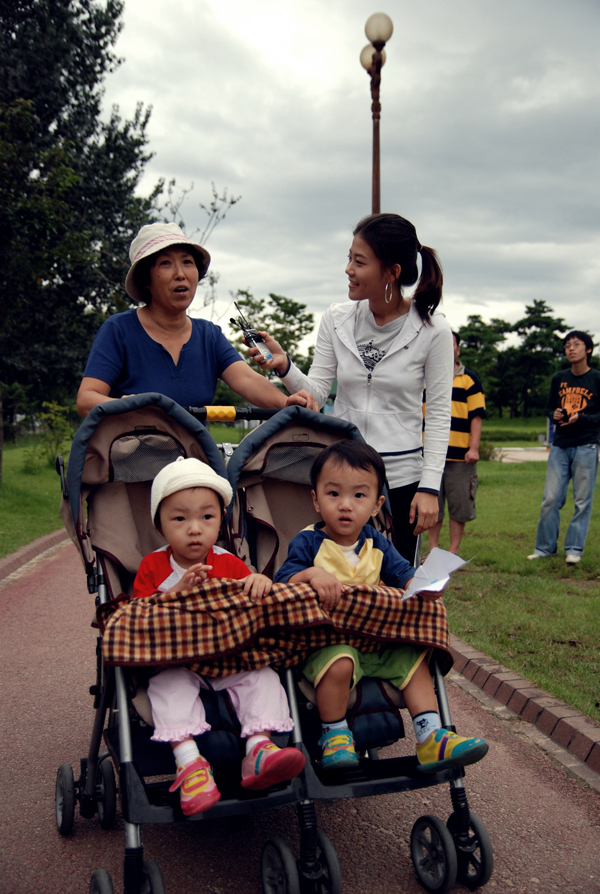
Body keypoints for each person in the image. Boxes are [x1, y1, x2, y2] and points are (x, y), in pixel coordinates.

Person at [246, 213, 454, 563]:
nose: (348, 269)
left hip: (401, 479)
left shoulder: (433, 330)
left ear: (393, 271)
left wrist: (429, 487)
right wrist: (284, 366)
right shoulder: (336, 319)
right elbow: (316, 391)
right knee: (335, 572)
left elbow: (437, 413)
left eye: (359, 261)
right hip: (341, 473)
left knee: (395, 581)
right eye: (349, 258)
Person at [274, 440, 488, 774]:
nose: (346, 505)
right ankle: (334, 736)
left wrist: (425, 586)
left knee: (414, 659)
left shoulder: (378, 544)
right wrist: (312, 575)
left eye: (359, 496)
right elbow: (284, 581)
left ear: (377, 505)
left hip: (378, 641)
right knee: (340, 663)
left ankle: (431, 736)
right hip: (329, 643)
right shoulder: (308, 541)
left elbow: (404, 576)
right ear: (316, 500)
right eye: (334, 495)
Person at [134, 456, 305, 815]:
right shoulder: (152, 566)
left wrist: (258, 580)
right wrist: (178, 592)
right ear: (161, 526)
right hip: (177, 660)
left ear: (221, 522)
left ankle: (259, 749)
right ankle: (190, 764)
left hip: (228, 657)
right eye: (180, 519)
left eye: (207, 517)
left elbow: (252, 596)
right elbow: (141, 618)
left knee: (263, 676)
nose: (194, 529)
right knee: (166, 687)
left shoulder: (228, 562)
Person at [77, 222, 317, 417]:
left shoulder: (208, 336)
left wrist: (286, 402)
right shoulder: (119, 330)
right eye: (165, 264)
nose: (180, 273)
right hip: (133, 462)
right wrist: (123, 405)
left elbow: (247, 379)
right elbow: (86, 400)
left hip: (195, 463)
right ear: (146, 280)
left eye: (187, 262)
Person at [528, 331, 600, 565]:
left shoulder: (596, 378)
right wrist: (555, 413)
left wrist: (582, 418)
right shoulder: (559, 378)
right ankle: (544, 548)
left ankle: (574, 549)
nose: (571, 349)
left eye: (576, 344)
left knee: (582, 501)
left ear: (588, 349)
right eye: (567, 345)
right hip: (560, 444)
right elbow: (550, 408)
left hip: (587, 445)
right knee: (550, 498)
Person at [427, 331, 487, 555]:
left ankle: (452, 551)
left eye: (450, 343)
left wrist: (474, 448)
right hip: (431, 455)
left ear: (457, 350)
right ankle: (433, 549)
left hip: (461, 456)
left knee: (459, 506)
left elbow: (477, 416)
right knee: (432, 505)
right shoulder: (426, 378)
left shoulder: (469, 379)